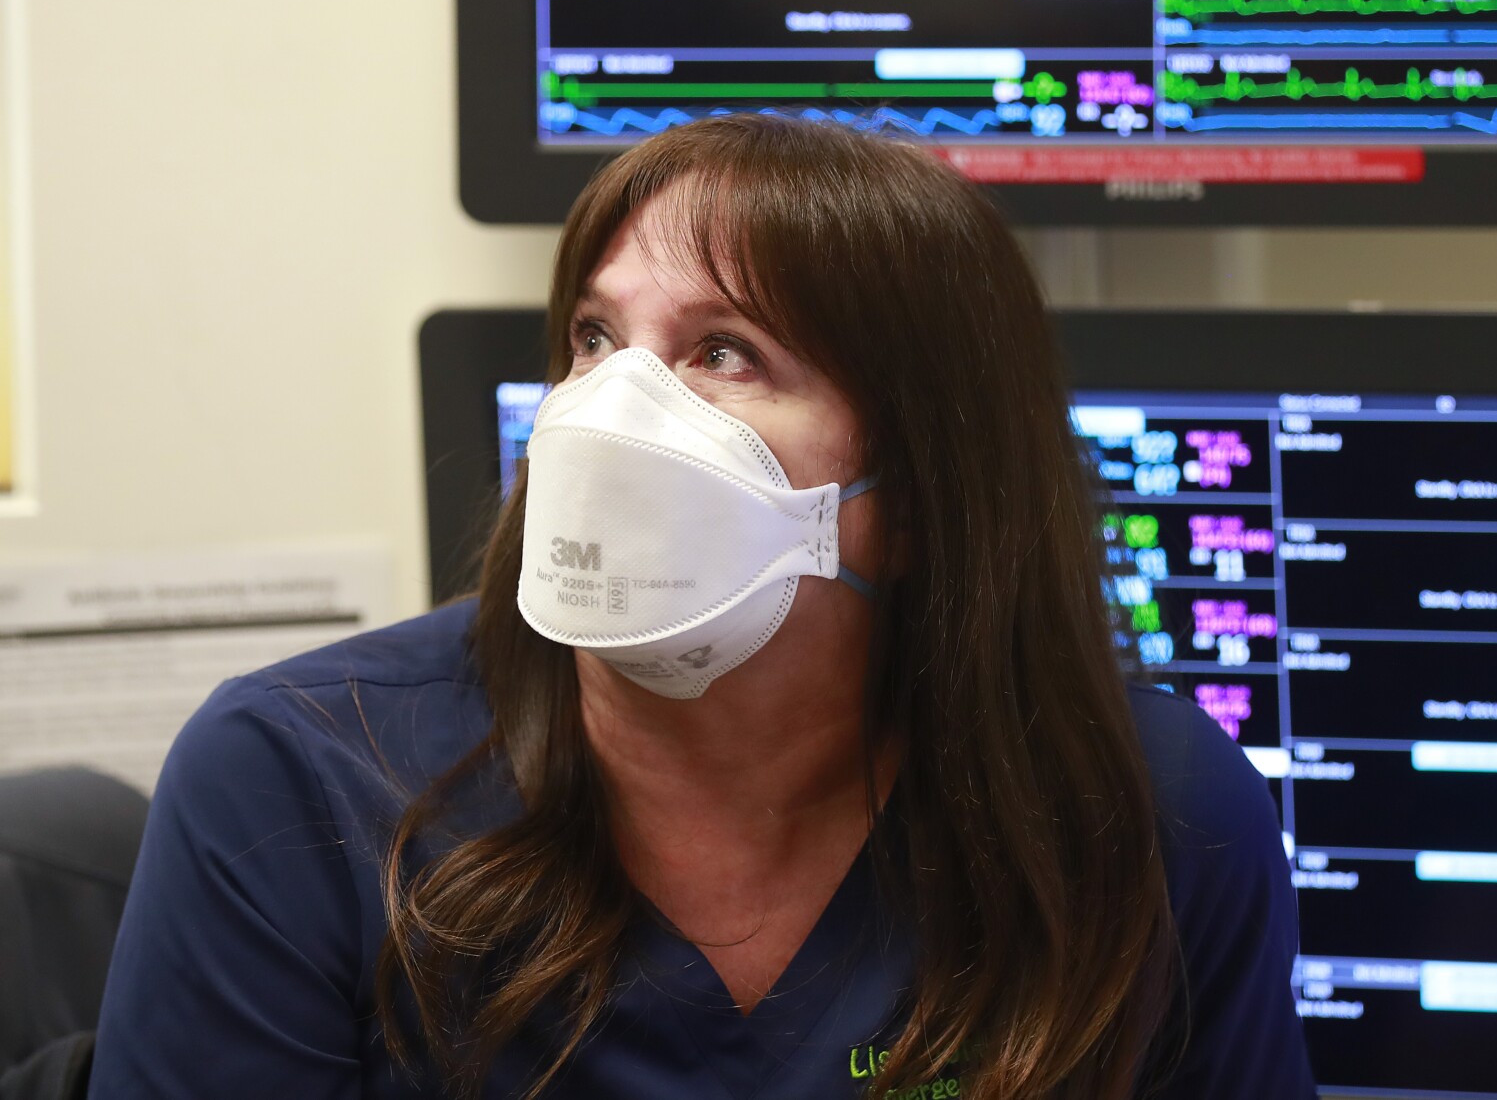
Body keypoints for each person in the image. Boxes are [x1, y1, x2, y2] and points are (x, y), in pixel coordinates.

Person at [89, 116, 1313, 1099]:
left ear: (920, 492)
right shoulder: (296, 778)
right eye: (591, 336)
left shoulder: (1147, 812)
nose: (614, 407)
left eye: (723, 351)